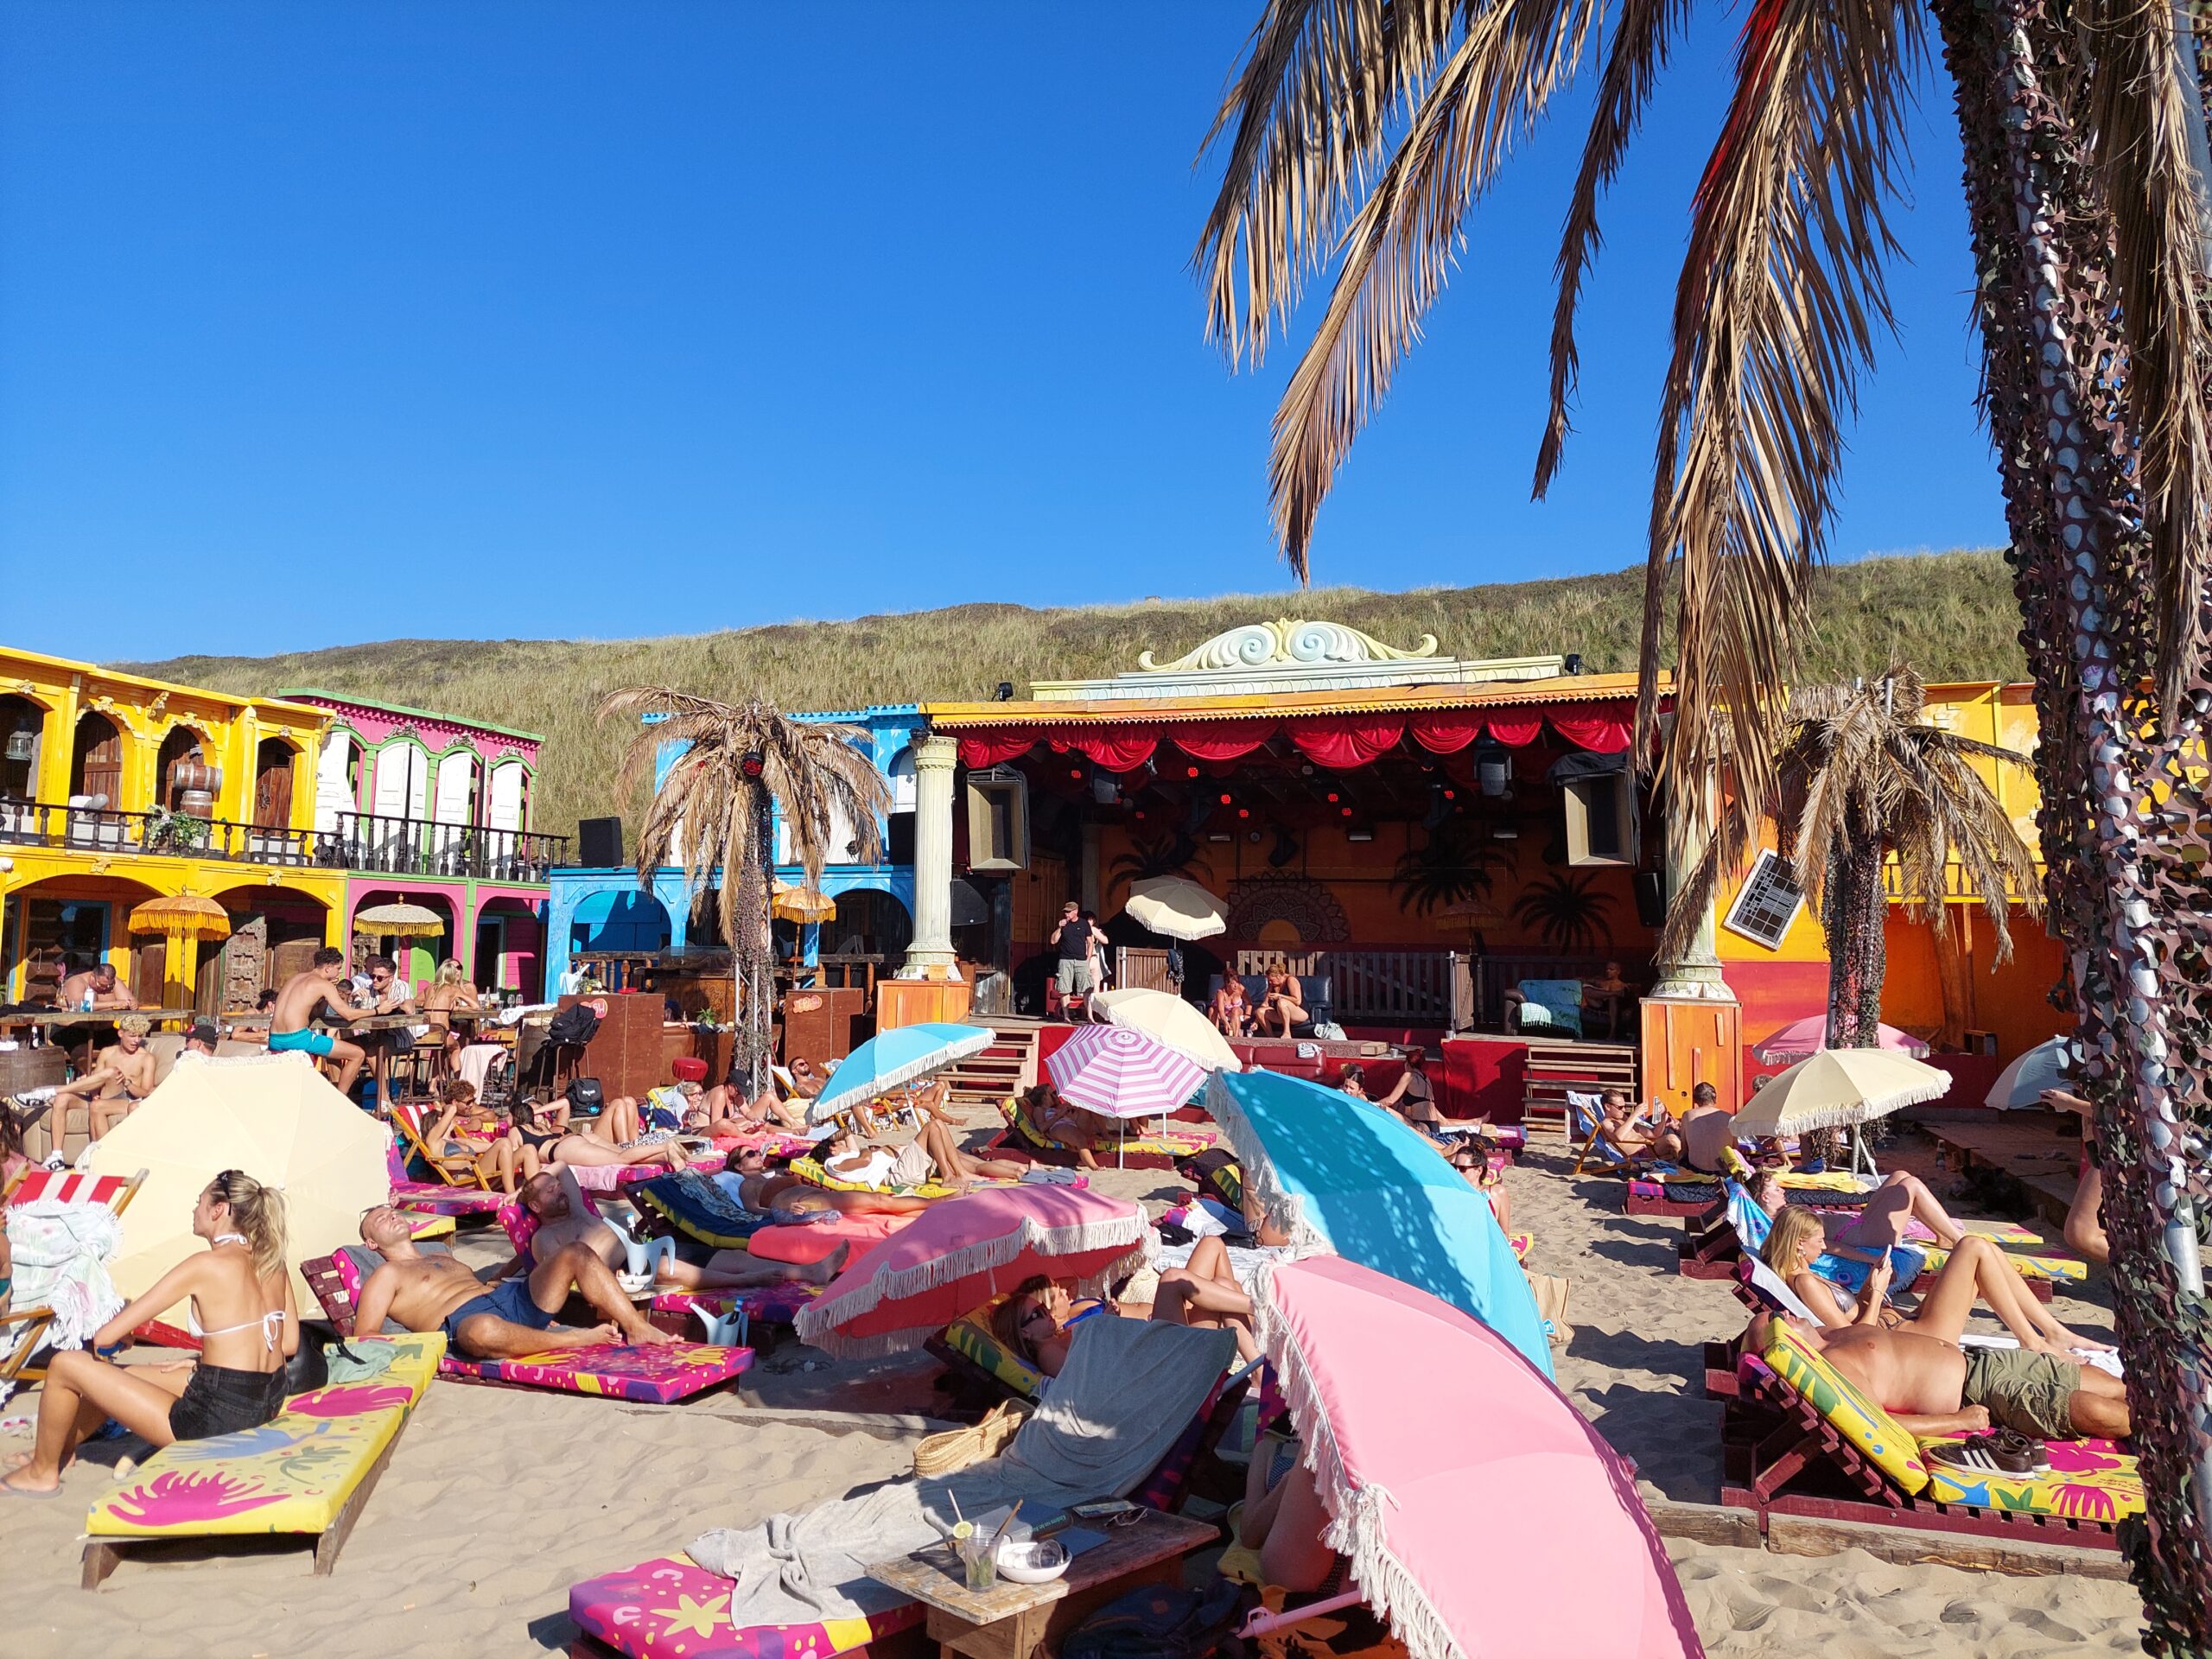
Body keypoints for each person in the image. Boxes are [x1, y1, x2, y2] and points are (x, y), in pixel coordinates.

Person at [2, 1171, 295, 1496]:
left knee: (65, 1365)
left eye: (200, 1202)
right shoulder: (272, 1261)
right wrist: (203, 1360)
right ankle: (63, 1451)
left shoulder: (204, 1265)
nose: (194, 1210)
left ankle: (42, 1473)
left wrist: (120, 1331)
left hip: (219, 1418)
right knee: (127, 1377)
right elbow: (289, 1342)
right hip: (266, 1400)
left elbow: (104, 1338)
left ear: (219, 1210)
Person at [1759, 1203, 2111, 1354]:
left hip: (1907, 1327)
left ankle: (2053, 1333)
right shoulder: (1804, 1282)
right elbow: (1852, 1336)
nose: (1825, 1245)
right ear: (1798, 1243)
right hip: (1911, 1341)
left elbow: (1855, 1315)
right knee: (1973, 1246)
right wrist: (1878, 1293)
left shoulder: (1806, 1276)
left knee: (1984, 1253)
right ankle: (2036, 1340)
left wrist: (1870, 1287)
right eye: (1819, 1241)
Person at [1748, 1311, 2130, 1443]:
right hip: (1984, 1392)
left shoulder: (1833, 1332)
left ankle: (2174, 1412)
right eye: (1778, 1322)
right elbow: (1879, 1424)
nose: (1786, 1313)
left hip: (1986, 1361)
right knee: (2085, 1407)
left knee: (2105, 1382)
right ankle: (2168, 1431)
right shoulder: (1834, 1366)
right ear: (1785, 1346)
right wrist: (1960, 1421)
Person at [351, 1202, 672, 1357]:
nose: (391, 1215)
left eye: (391, 1210)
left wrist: (510, 1275)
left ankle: (636, 1326)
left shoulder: (440, 1254)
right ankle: (573, 1340)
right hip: (466, 1322)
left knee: (576, 1251)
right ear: (372, 1244)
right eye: (381, 1218)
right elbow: (364, 1333)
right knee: (480, 1330)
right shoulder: (386, 1274)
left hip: (510, 1300)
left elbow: (482, 1283)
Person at [513, 1166, 845, 1294]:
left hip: (646, 1250)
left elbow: (560, 1165)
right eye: (550, 1191)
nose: (559, 1190)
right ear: (538, 1208)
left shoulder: (579, 1213)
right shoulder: (546, 1237)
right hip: (627, 1271)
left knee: (733, 1254)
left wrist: (537, 1184)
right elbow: (555, 1279)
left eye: (558, 1187)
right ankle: (742, 1281)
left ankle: (808, 1271)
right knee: (662, 1267)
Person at [996, 1242, 1260, 1377]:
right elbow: (1082, 1379)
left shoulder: (1057, 1336)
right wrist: (1106, 1326)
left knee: (1223, 1282)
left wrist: (1107, 1325)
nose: (1046, 1313)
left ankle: (1259, 1374)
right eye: (1039, 1312)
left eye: (1043, 1307)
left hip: (1166, 1345)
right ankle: (1260, 1306)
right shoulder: (1048, 1352)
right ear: (1026, 1333)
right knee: (1171, 1279)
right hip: (1165, 1363)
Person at [1748, 1163, 1970, 1262]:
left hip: (1858, 1225)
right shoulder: (1782, 1222)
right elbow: (1831, 1247)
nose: (1783, 1190)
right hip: (1864, 1237)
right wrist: (1871, 1258)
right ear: (1765, 1197)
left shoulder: (1784, 1211)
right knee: (1910, 1185)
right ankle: (1960, 1241)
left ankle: (1942, 1235)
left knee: (1900, 1175)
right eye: (1777, 1189)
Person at [270, 946, 372, 1094]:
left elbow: (316, 1012)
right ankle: (340, 1101)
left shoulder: (295, 978)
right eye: (338, 968)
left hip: (274, 1039)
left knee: (334, 1051)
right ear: (328, 967)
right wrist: (378, 1010)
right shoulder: (323, 984)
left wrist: (326, 996)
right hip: (297, 1038)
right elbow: (348, 1014)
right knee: (358, 1054)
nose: (339, 972)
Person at [49, 1013, 158, 1141]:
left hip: (126, 1098)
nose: (136, 1041)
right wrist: (94, 1091)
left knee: (111, 1074)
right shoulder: (107, 1052)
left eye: (140, 1036)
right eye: (132, 1035)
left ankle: (54, 1089)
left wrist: (127, 1083)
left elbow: (146, 1093)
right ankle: (56, 1155)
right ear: (121, 1034)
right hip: (100, 1097)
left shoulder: (146, 1058)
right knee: (60, 1099)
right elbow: (96, 1078)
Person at [423, 1079, 538, 1194]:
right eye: (444, 1117)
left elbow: (490, 1147)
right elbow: (452, 1110)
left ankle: (536, 1194)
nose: (450, 1119)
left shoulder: (458, 1140)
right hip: (467, 1180)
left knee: (528, 1149)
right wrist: (449, 1109)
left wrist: (518, 1152)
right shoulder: (435, 1143)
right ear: (438, 1122)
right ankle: (511, 1196)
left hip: (480, 1171)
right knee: (504, 1143)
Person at [1018, 1083, 1103, 1171]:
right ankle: (1094, 1167)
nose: (1056, 1095)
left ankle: (1106, 1135)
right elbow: (1042, 1128)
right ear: (1044, 1097)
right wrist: (1059, 1115)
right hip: (1058, 1127)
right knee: (1079, 1138)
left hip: (1071, 1125)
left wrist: (1074, 1109)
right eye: (1053, 1093)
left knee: (1088, 1106)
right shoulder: (1039, 1110)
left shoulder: (1057, 1107)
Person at [421, 958, 480, 1078]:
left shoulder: (430, 987)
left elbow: (420, 1002)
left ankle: (433, 1085)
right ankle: (459, 1080)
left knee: (442, 1050)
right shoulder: (453, 989)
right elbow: (476, 1006)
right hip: (441, 1032)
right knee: (456, 1048)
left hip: (424, 1034)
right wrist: (456, 1008)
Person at [1594, 1090, 1682, 1164]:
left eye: (1624, 1106)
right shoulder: (1606, 1123)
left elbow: (1654, 1134)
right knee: (1671, 1139)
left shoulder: (1626, 1120)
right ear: (1608, 1107)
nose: (1624, 1110)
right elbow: (1618, 1137)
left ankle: (1686, 1168)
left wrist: (1663, 1115)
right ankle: (1686, 1167)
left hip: (1651, 1148)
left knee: (1679, 1141)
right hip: (1640, 1155)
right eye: (1620, 1107)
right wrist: (1634, 1115)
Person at [1052, 901, 1096, 1017]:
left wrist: (1088, 959)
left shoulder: (1084, 924)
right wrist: (1059, 928)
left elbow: (1090, 943)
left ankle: (1090, 1016)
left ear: (1075, 911)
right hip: (1065, 960)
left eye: (1068, 912)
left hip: (1081, 960)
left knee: (1087, 988)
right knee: (1064, 989)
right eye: (1065, 912)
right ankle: (1066, 1016)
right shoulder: (1063, 924)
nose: (1066, 914)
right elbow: (1053, 941)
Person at [54, 960, 135, 1012]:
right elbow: (79, 1006)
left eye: (108, 986)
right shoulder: (77, 982)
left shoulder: (113, 982)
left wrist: (133, 1004)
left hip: (106, 1030)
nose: (104, 988)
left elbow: (129, 1000)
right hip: (74, 1029)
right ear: (92, 975)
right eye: (100, 984)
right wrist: (113, 1004)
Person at [1582, 960, 1635, 1039]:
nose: (1608, 971)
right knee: (1585, 989)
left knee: (1612, 998)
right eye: (1607, 969)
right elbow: (1584, 981)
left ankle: (1612, 1031)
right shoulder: (1600, 981)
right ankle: (1615, 993)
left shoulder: (1623, 985)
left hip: (1614, 1007)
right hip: (1599, 1004)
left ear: (1618, 972)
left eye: (1611, 969)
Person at [1255, 963, 1306, 1038]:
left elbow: (1297, 1001)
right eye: (1268, 980)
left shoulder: (1291, 980)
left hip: (1299, 1012)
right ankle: (1271, 1037)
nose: (1270, 982)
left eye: (1271, 980)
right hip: (1282, 1014)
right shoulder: (1273, 985)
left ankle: (1287, 1033)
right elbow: (1265, 1004)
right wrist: (1256, 1021)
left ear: (1278, 976)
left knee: (1281, 1002)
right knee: (1259, 1011)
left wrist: (1280, 996)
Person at [1211, 975, 1253, 1039]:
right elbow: (1221, 1010)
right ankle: (1214, 1036)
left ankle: (1236, 1037)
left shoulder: (1241, 988)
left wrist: (1247, 1014)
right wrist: (1225, 1022)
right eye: (1233, 983)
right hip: (1223, 1013)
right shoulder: (1221, 992)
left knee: (1235, 1010)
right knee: (1212, 1010)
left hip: (1236, 1011)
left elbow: (1249, 1003)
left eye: (1237, 983)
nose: (1236, 986)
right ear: (1227, 983)